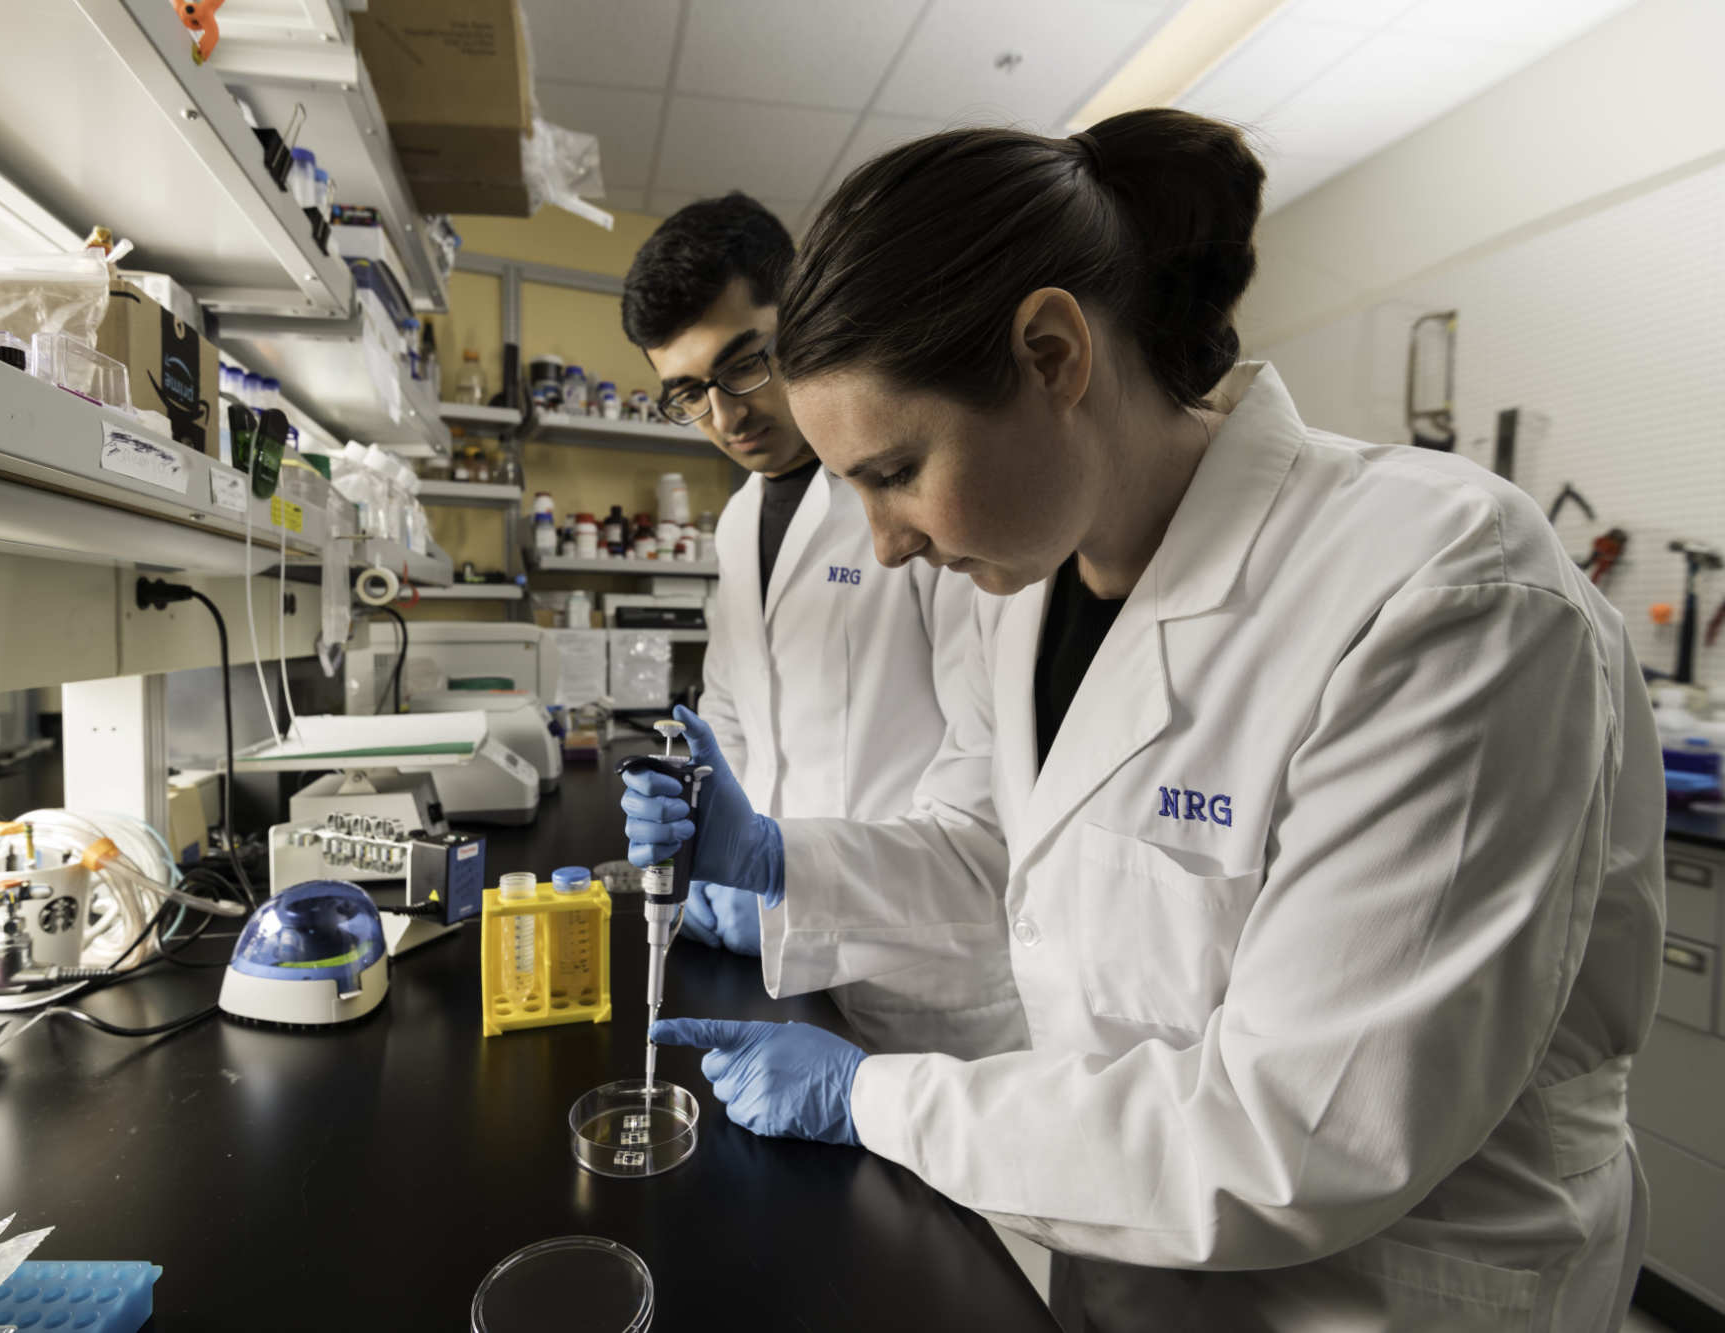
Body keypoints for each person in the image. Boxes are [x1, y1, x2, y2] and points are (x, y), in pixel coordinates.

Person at [622, 112, 1664, 1331]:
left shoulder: (1440, 591)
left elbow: (1299, 1132)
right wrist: (780, 858)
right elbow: (1001, 862)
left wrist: (874, 1101)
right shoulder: (1029, 587)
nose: (885, 544)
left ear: (1053, 354)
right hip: (1131, 1250)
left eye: (895, 470)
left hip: (1383, 1288)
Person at [619, 193, 1023, 1060]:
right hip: (788, 957)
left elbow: (988, 780)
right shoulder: (733, 525)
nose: (726, 418)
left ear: (799, 313)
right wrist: (697, 821)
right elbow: (728, 709)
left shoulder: (914, 490)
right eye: (688, 393)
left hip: (926, 975)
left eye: (744, 365)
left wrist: (775, 859)